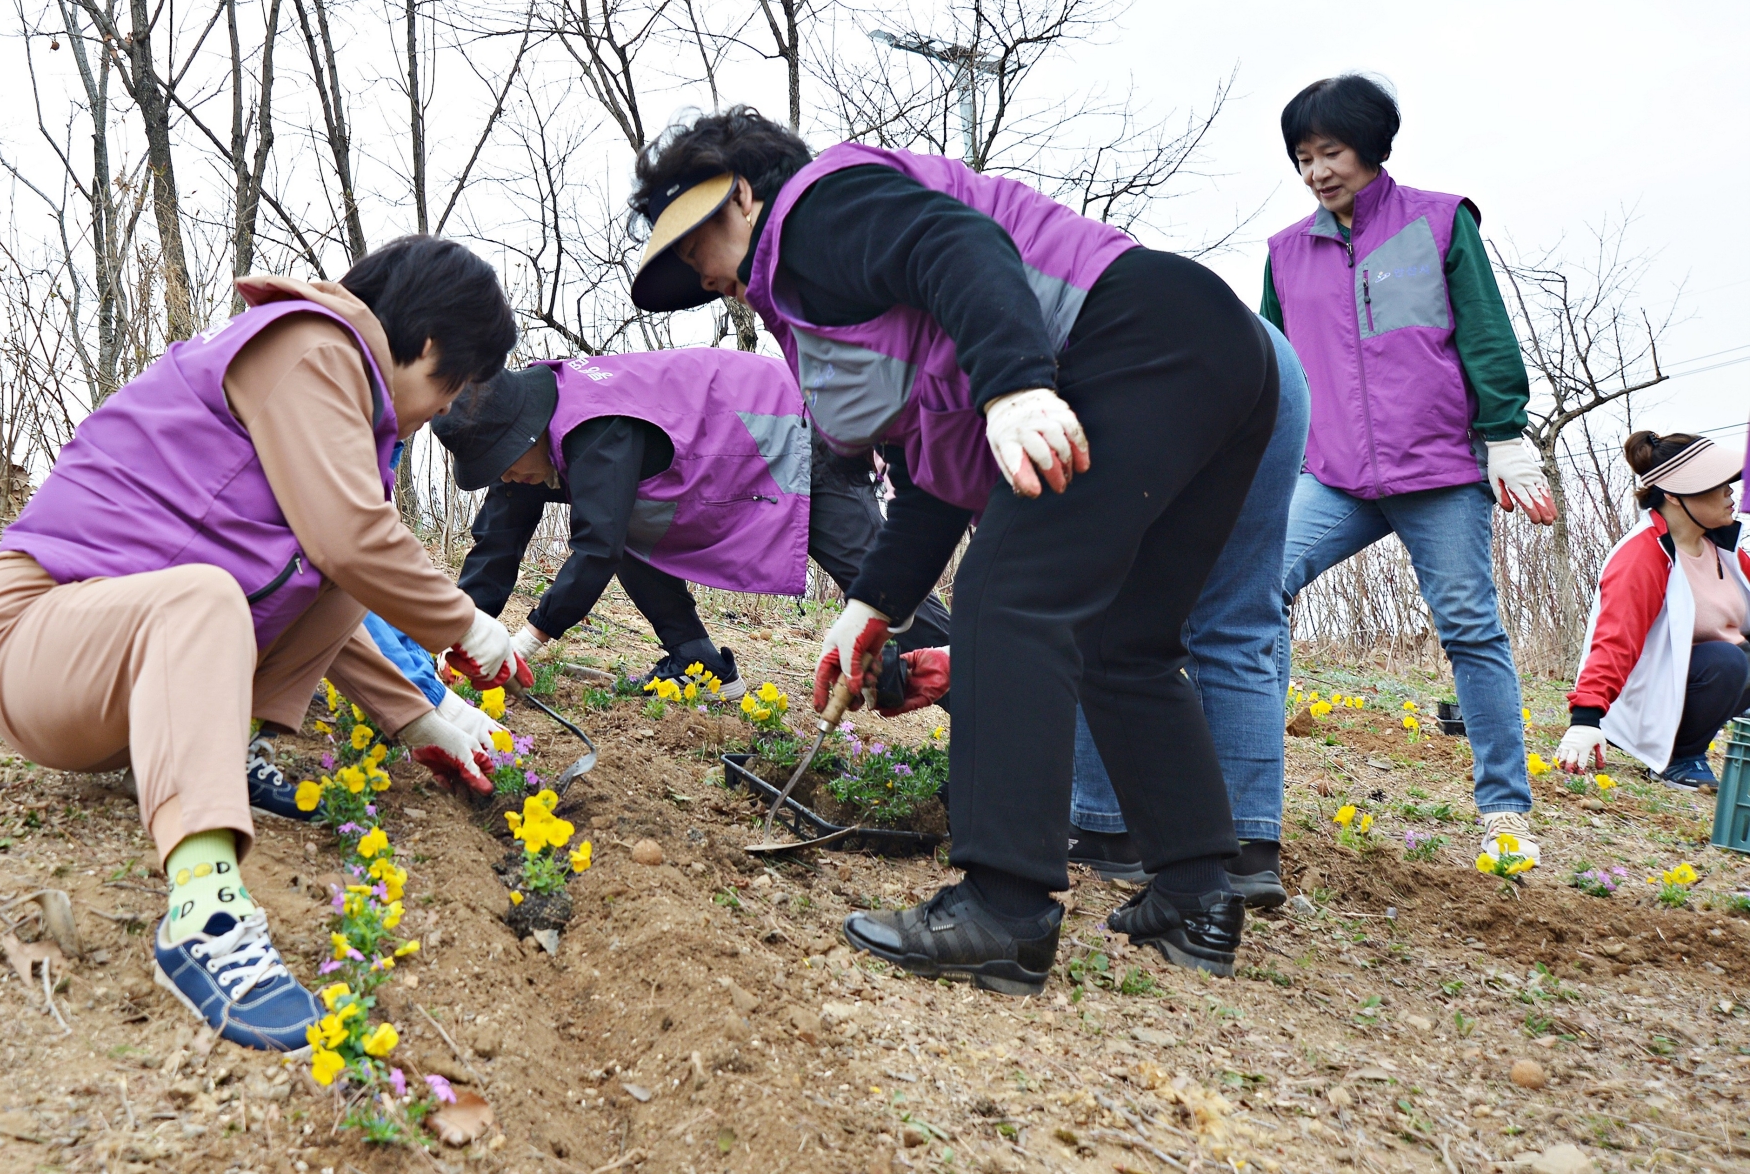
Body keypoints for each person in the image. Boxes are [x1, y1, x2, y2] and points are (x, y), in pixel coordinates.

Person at [628, 107, 1279, 991]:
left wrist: (1016, 386)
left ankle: (1003, 911)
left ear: (739, 195)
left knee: (1006, 600)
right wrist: (868, 609)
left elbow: (956, 242)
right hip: (1214, 346)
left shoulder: (814, 212)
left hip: (1125, 335)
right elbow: (937, 485)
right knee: (1125, 639)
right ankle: (1199, 893)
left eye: (693, 248)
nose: (707, 281)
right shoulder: (905, 331)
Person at [0, 238, 525, 1055]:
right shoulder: (308, 348)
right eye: (453, 384)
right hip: (33, 638)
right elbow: (354, 537)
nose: (445, 408)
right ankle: (204, 915)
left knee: (323, 576)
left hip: (118, 669)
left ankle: (212, 755)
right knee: (211, 593)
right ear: (430, 343)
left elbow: (337, 575)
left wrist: (424, 716)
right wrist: (469, 627)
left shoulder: (345, 405)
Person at [1264, 74, 1552, 866]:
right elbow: (1273, 366)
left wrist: (1505, 433)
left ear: (1372, 147)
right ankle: (1253, 781)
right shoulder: (1286, 255)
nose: (1318, 172)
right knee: (1255, 587)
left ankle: (1504, 809)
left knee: (1469, 627)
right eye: (1302, 158)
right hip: (1334, 475)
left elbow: (1486, 334)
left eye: (1331, 152)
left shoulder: (1439, 222)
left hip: (1440, 471)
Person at [428, 349, 952, 700]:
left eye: (506, 466)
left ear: (525, 436)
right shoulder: (517, 432)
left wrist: (526, 642)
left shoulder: (595, 429)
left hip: (793, 426)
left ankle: (989, 693)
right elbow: (497, 542)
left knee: (883, 590)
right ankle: (698, 661)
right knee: (632, 523)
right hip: (731, 451)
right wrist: (459, 637)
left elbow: (597, 548)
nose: (509, 479)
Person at [1068, 317, 1310, 908]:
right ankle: (1247, 852)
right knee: (1239, 621)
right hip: (1271, 360)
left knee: (1096, 597)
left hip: (1164, 359)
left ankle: (1104, 825)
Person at [1560, 433, 1748, 787]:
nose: (1730, 493)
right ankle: (1681, 758)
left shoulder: (1724, 549)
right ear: (1675, 496)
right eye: (1719, 484)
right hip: (1638, 697)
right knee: (1728, 661)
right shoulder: (1643, 555)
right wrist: (1586, 717)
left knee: (1738, 656)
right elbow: (1616, 641)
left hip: (1689, 680)